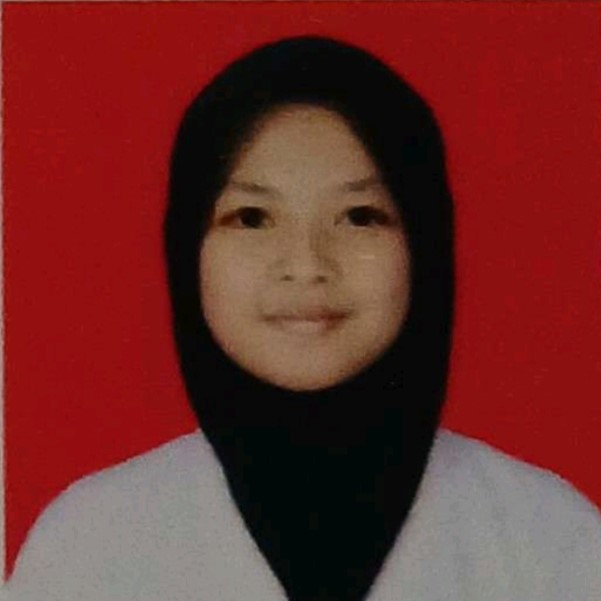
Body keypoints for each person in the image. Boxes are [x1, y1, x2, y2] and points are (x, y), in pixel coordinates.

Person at [3, 36, 600, 601]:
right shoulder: (89, 544)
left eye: (360, 216)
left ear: (425, 243)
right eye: (252, 218)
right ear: (187, 250)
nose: (307, 265)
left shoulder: (547, 538)